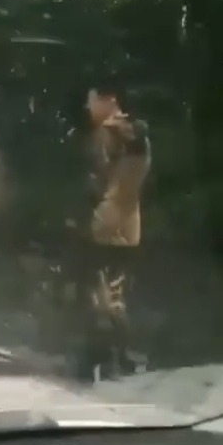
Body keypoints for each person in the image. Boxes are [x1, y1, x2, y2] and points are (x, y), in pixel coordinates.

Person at [70, 80, 151, 381]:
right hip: (123, 230)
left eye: (92, 101)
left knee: (99, 299)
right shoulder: (132, 134)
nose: (88, 108)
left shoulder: (108, 134)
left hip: (106, 229)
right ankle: (117, 361)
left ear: (108, 100)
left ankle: (98, 364)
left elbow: (98, 182)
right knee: (112, 297)